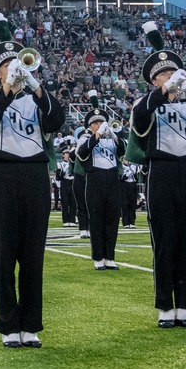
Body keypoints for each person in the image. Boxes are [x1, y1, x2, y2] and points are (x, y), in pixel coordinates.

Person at [0, 15, 66, 348]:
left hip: (35, 175)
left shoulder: (37, 100)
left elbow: (58, 118)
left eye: (18, 63)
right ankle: (8, 325)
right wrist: (8, 90)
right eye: (8, 65)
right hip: (2, 175)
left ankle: (31, 325)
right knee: (5, 255)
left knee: (32, 255)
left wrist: (37, 86)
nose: (15, 67)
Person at [128, 23, 186, 329]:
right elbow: (140, 118)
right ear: (154, 80)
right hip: (161, 172)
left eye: (173, 73)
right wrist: (164, 92)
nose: (171, 78)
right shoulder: (147, 102)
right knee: (164, 239)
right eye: (164, 75)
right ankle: (165, 305)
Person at [73, 112, 125, 269]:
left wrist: (114, 135)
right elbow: (82, 153)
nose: (99, 125)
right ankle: (98, 258)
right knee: (96, 219)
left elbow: (122, 151)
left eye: (101, 122)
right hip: (95, 179)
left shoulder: (111, 138)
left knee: (112, 219)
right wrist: (98, 134)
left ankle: (110, 257)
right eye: (95, 123)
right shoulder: (85, 138)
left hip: (112, 178)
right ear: (90, 126)